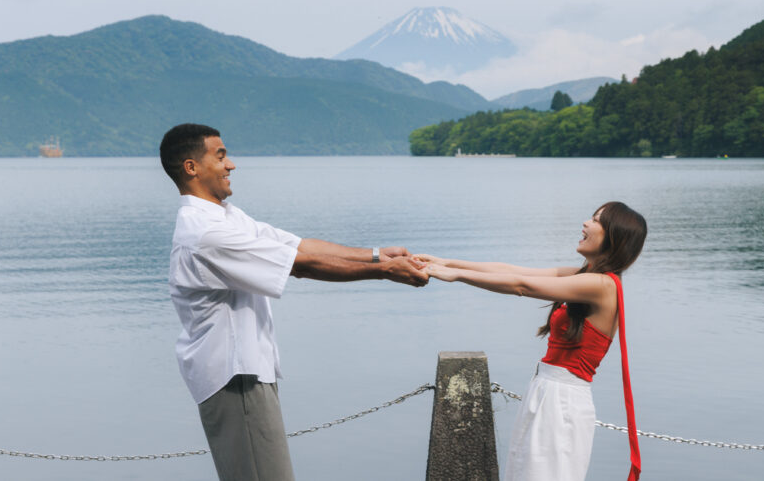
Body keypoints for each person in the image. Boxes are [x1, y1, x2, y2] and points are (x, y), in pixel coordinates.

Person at [159, 123, 428, 481]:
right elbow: (302, 265)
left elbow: (299, 246)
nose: (231, 165)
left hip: (247, 373)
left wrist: (378, 255)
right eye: (221, 156)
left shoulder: (227, 217)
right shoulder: (206, 233)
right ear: (192, 167)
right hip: (235, 377)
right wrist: (385, 272)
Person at [419, 201, 646, 481]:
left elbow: (521, 286)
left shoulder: (602, 285)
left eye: (596, 221)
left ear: (615, 236)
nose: (586, 223)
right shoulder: (584, 277)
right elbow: (511, 271)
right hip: (546, 392)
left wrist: (457, 276)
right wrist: (443, 262)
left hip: (562, 400)